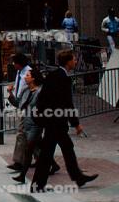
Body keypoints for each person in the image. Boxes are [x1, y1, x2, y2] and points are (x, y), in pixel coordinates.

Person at [31, 50, 98, 192]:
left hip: (52, 121)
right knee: (47, 154)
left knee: (66, 148)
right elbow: (68, 103)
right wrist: (76, 124)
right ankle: (38, 185)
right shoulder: (64, 79)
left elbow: (43, 98)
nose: (75, 62)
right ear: (67, 62)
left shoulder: (52, 75)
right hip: (56, 123)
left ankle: (78, 177)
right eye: (73, 60)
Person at [9, 66, 59, 183]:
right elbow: (18, 103)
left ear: (33, 78)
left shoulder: (41, 91)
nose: (25, 77)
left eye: (28, 76)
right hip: (26, 123)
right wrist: (10, 93)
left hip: (36, 125)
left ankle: (22, 175)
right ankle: (54, 164)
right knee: (39, 146)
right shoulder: (26, 91)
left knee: (29, 150)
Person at [6, 53, 32, 171]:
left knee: (21, 135)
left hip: (28, 109)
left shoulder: (29, 73)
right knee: (32, 138)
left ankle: (18, 162)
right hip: (21, 106)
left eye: (14, 62)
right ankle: (48, 161)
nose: (13, 64)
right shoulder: (19, 73)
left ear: (19, 63)